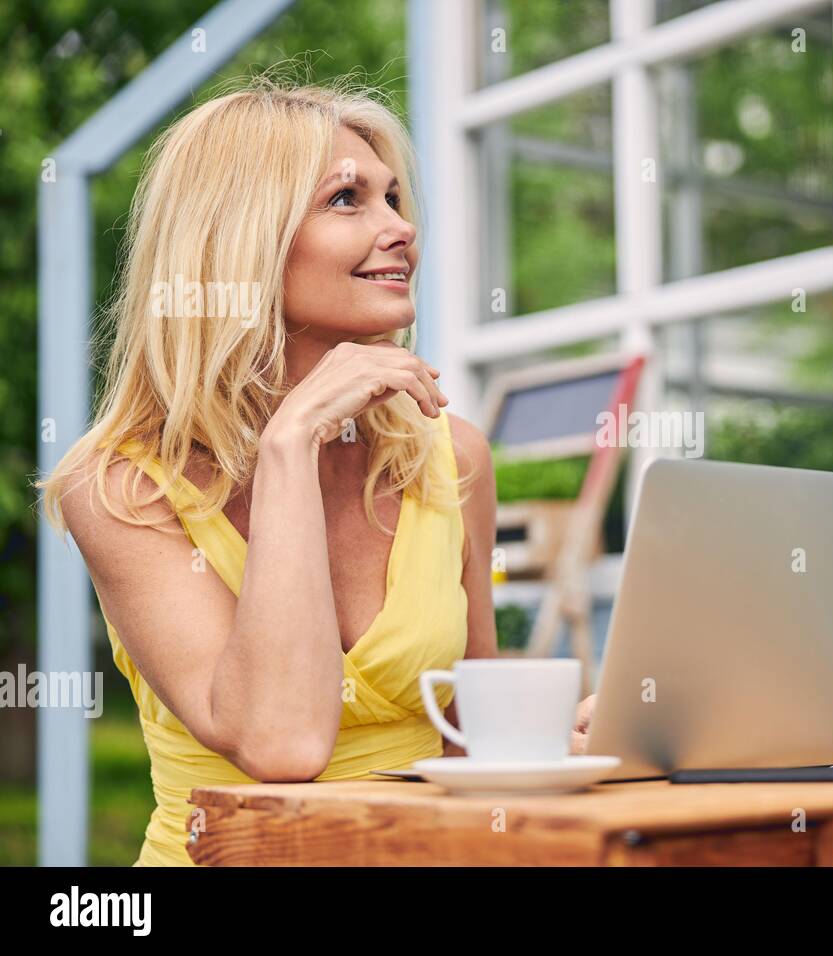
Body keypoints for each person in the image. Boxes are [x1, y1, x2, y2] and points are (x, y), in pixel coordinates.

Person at [37, 80, 595, 866]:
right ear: (240, 240)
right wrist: (291, 441)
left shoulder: (452, 454)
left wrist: (560, 741)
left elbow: (469, 741)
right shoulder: (123, 489)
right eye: (347, 199)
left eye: (395, 197)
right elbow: (281, 741)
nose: (401, 228)